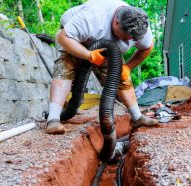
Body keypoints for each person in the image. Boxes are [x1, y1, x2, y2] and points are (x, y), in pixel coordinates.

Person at [46, 0, 159, 134]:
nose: (127, 41)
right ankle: (53, 120)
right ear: (116, 22)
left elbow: (147, 47)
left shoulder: (139, 26)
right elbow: (63, 37)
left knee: (121, 75)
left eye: (131, 40)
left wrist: (128, 67)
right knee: (65, 68)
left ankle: (137, 117)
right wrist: (89, 55)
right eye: (124, 37)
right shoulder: (92, 17)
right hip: (74, 39)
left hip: (108, 47)